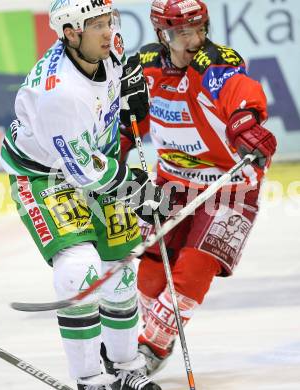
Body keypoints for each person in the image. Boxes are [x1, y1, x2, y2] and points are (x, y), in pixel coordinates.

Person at [0, 1, 166, 389]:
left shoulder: (108, 45)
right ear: (71, 33)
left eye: (109, 21)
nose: (109, 32)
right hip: (45, 175)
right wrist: (135, 186)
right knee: (79, 270)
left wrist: (131, 81)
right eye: (96, 25)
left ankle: (127, 368)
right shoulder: (59, 94)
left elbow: (124, 63)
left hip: (96, 160)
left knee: (120, 272)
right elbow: (84, 172)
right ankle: (90, 380)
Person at [120, 0, 277, 375]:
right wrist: (118, 149)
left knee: (192, 269)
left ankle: (151, 347)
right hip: (171, 182)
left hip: (229, 186)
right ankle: (154, 338)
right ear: (162, 35)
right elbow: (130, 120)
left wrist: (245, 123)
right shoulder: (145, 65)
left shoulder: (216, 62)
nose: (193, 40)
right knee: (150, 277)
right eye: (181, 33)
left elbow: (237, 90)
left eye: (199, 29)